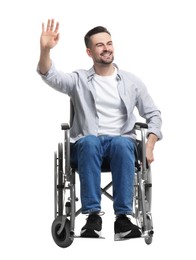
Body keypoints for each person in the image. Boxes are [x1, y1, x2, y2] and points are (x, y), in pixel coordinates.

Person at [37, 19, 162, 240]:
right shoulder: (79, 80)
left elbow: (153, 115)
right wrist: (45, 50)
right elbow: (50, 75)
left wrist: (150, 144)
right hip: (87, 146)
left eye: (109, 43)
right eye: (100, 45)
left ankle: (123, 219)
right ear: (89, 51)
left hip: (121, 147)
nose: (107, 48)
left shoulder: (131, 82)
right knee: (90, 141)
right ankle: (93, 217)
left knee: (123, 142)